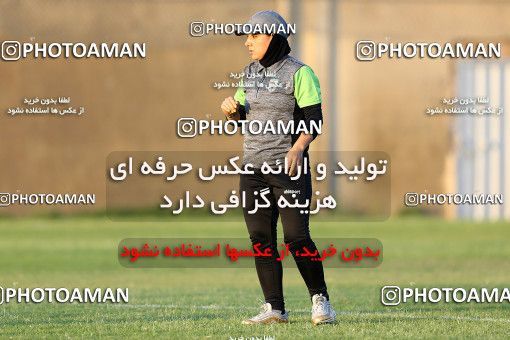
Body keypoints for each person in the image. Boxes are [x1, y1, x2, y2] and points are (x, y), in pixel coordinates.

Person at [220, 10, 336, 325]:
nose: (247, 43)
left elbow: (314, 120)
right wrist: (233, 110)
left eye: (254, 36)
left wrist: (299, 148)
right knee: (261, 239)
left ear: (272, 36)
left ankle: (320, 299)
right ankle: (275, 308)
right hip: (252, 171)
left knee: (297, 238)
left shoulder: (301, 73)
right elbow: (246, 114)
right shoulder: (250, 72)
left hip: (289, 169)